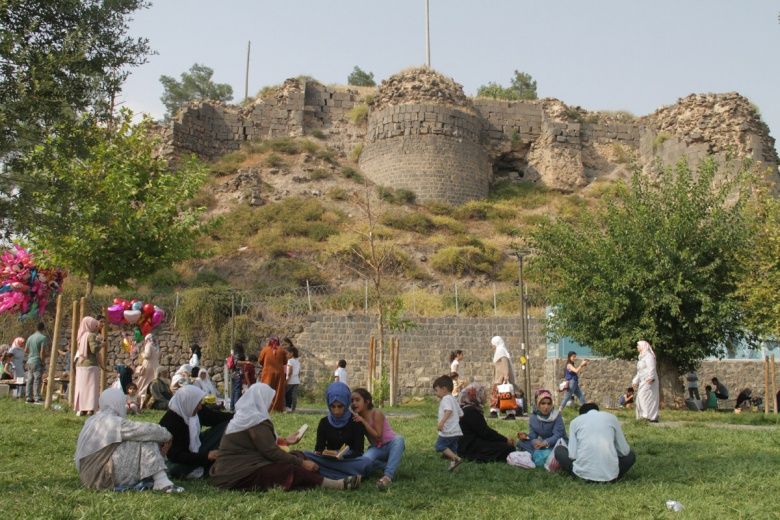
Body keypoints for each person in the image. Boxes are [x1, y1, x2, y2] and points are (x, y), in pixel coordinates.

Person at [209, 383, 360, 491]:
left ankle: (325, 476)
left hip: (247, 463)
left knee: (298, 455)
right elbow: (271, 452)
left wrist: (286, 441)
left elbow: (263, 444)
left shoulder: (248, 417)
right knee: (289, 469)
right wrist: (301, 464)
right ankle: (336, 484)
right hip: (236, 472)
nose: (271, 404)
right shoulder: (253, 420)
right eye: (269, 400)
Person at [74, 388, 182, 493]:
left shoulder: (93, 419)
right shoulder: (113, 422)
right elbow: (147, 431)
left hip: (88, 476)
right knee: (146, 437)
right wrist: (168, 436)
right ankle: (161, 481)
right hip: (101, 477)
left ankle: (159, 479)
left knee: (140, 436)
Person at [159, 385, 232, 479]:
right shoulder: (171, 422)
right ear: (187, 402)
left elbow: (215, 417)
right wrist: (206, 456)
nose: (200, 407)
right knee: (175, 469)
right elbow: (176, 455)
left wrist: (239, 415)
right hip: (178, 459)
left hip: (195, 447)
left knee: (227, 425)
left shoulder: (192, 410)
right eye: (198, 404)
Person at [554, 403, 635, 483]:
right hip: (611, 477)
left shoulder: (575, 422)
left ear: (581, 415)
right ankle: (610, 476)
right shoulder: (612, 418)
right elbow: (625, 451)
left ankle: (584, 474)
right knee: (631, 455)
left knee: (559, 450)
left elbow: (572, 455)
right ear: (597, 410)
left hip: (581, 476)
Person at [304, 382, 369, 480]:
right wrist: (321, 453)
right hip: (328, 461)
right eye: (333, 407)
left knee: (366, 463)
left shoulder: (356, 422)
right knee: (305, 455)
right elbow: (319, 448)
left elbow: (359, 451)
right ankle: (345, 475)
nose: (336, 411)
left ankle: (328, 473)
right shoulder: (324, 422)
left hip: (347, 462)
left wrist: (343, 454)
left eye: (340, 406)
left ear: (346, 404)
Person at [351, 387, 406, 490]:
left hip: (391, 444)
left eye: (357, 400)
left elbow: (377, 435)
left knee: (400, 440)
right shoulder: (357, 418)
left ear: (367, 402)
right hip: (376, 448)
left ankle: (387, 476)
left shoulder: (376, 413)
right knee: (365, 460)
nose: (354, 403)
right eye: (352, 401)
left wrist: (363, 421)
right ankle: (389, 465)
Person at [456, 383, 514, 463]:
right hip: (469, 448)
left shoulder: (465, 408)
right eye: (483, 394)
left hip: (466, 444)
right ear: (476, 395)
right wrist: (505, 440)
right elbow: (485, 432)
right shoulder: (470, 411)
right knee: (508, 448)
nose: (485, 397)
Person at [517, 389, 567, 466]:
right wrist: (526, 437)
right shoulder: (533, 417)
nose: (546, 406)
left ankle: (537, 455)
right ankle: (539, 454)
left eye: (549, 403)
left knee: (557, 451)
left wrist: (545, 443)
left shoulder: (556, 416)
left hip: (557, 443)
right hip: (542, 443)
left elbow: (558, 435)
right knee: (520, 443)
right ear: (538, 404)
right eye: (543, 403)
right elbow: (533, 435)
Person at [74, 317, 106, 416]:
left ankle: (82, 409)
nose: (96, 326)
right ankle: (90, 409)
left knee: (82, 387)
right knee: (91, 388)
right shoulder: (91, 335)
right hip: (90, 365)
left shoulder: (81, 336)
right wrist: (102, 344)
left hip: (80, 364)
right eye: (94, 324)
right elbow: (93, 349)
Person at [433, 374, 463, 470]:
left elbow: (448, 411)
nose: (436, 393)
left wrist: (442, 422)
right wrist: (454, 422)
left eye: (437, 390)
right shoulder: (454, 399)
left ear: (444, 389)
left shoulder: (445, 399)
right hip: (456, 431)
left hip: (447, 431)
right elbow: (461, 414)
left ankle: (456, 459)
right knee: (453, 449)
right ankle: (455, 467)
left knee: (439, 446)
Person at [489, 336, 516, 420]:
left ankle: (494, 412)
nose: (492, 346)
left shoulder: (500, 350)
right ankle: (509, 413)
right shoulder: (501, 350)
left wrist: (505, 376)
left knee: (497, 395)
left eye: (492, 344)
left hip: (500, 378)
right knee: (506, 395)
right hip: (501, 377)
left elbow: (504, 363)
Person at [632, 340, 659, 422]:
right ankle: (647, 416)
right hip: (643, 381)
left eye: (638, 346)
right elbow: (640, 372)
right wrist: (635, 381)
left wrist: (651, 377)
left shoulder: (649, 356)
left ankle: (647, 416)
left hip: (650, 381)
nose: (637, 347)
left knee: (643, 397)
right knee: (641, 398)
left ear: (643, 346)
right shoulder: (641, 357)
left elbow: (652, 368)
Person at [258, 337, 288, 412]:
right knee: (278, 391)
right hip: (279, 373)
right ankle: (276, 409)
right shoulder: (282, 350)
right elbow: (285, 362)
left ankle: (266, 408)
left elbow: (260, 361)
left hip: (267, 373)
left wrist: (266, 364)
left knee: (266, 390)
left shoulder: (265, 349)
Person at [24, 322, 48, 403]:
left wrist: (32, 353)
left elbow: (26, 350)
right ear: (43, 329)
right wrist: (43, 361)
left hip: (29, 361)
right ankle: (37, 397)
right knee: (37, 380)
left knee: (30, 379)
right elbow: (42, 352)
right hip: (37, 361)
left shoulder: (30, 337)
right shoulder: (43, 338)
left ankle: (28, 397)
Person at [135, 333, 160, 401]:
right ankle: (150, 396)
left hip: (148, 365)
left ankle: (139, 395)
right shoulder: (157, 346)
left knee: (143, 381)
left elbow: (147, 355)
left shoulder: (148, 345)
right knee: (151, 381)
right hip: (156, 366)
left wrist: (142, 354)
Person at [228, 343, 246, 410]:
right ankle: (236, 408)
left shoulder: (234, 353)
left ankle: (232, 407)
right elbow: (237, 362)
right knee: (237, 391)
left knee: (234, 390)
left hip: (233, 374)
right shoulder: (238, 353)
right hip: (238, 373)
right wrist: (246, 362)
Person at [285, 343, 301, 412]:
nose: (286, 355)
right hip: (296, 380)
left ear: (291, 353)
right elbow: (299, 372)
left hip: (290, 380)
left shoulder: (290, 361)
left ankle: (287, 407)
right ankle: (293, 409)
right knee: (294, 396)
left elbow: (290, 371)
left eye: (287, 353)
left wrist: (287, 380)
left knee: (286, 394)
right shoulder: (297, 361)